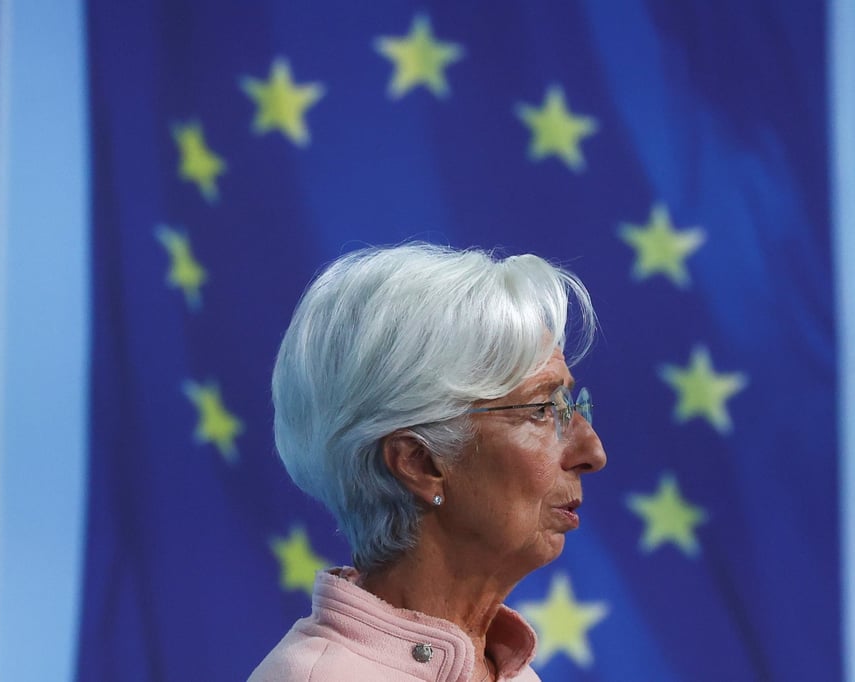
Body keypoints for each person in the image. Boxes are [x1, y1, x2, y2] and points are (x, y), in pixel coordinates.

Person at [249, 243, 607, 681]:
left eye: (569, 404)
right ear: (419, 463)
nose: (593, 452)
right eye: (540, 410)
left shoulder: (510, 672)